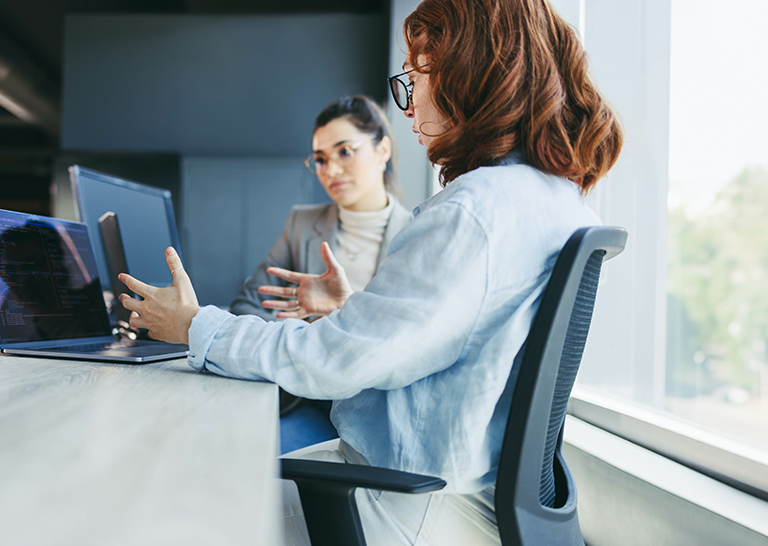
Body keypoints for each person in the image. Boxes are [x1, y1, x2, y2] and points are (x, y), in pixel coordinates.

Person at [118, 0, 623, 543]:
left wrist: (195, 326)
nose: (406, 105)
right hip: (461, 492)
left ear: (466, 70)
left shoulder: (474, 211)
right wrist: (349, 312)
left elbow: (331, 362)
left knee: (169, 495)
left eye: (416, 75)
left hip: (408, 502)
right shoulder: (557, 199)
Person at [230, 96, 413, 452]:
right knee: (242, 449)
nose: (330, 170)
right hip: (306, 399)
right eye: (320, 159)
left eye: (345, 151)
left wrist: (339, 321)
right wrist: (302, 334)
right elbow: (246, 304)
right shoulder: (303, 223)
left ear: (383, 150)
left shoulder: (415, 235)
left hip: (376, 413)